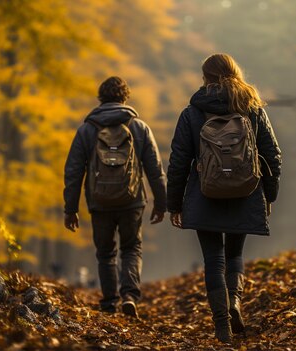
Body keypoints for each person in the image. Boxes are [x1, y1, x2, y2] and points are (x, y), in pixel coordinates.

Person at [167, 53, 281, 342]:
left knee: (213, 259)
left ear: (205, 77)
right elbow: (272, 154)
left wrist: (175, 204)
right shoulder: (251, 108)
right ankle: (234, 303)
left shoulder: (191, 113)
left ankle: (221, 325)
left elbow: (179, 162)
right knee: (234, 254)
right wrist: (269, 194)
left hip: (206, 193)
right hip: (246, 191)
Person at [63, 76, 167, 318]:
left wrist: (70, 208)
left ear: (101, 97)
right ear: (125, 97)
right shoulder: (139, 127)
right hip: (132, 201)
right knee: (131, 248)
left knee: (106, 252)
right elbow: (155, 169)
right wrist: (161, 204)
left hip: (99, 202)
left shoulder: (87, 130)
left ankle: (109, 303)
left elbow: (73, 172)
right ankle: (130, 296)